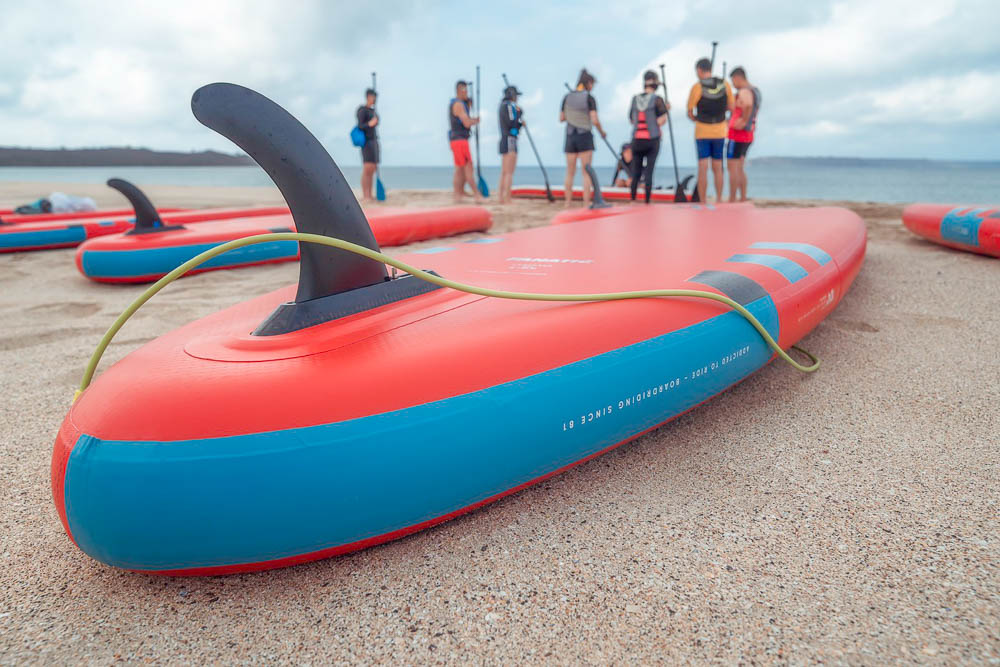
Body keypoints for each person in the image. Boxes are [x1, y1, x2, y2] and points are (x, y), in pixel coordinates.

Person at [687, 58, 734, 203]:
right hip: (720, 131)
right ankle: (719, 199)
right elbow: (731, 107)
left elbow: (690, 111)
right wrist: (724, 120)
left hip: (702, 131)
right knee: (718, 166)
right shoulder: (724, 84)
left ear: (699, 70)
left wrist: (696, 119)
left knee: (703, 167)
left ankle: (702, 200)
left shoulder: (697, 87)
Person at [560, 69, 607, 207]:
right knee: (586, 171)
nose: (593, 87)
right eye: (593, 84)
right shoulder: (589, 98)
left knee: (570, 171)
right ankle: (586, 203)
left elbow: (562, 118)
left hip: (570, 135)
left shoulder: (567, 97)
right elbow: (595, 119)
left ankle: (567, 202)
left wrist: (573, 116)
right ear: (588, 83)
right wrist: (602, 132)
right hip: (585, 135)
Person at [627, 70, 669, 203]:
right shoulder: (657, 100)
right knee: (649, 171)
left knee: (636, 172)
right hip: (652, 139)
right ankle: (647, 201)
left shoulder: (635, 99)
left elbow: (632, 120)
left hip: (636, 139)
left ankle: (633, 199)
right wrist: (666, 110)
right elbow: (661, 120)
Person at [727, 66, 761, 202]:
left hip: (737, 134)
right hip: (748, 133)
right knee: (740, 166)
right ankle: (742, 197)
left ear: (738, 78)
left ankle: (732, 198)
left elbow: (747, 104)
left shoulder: (745, 91)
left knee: (732, 167)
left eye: (733, 81)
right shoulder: (755, 91)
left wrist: (742, 120)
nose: (733, 85)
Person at [448, 80, 482, 203]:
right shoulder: (458, 104)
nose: (466, 93)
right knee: (467, 168)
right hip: (460, 140)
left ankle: (459, 193)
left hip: (457, 140)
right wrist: (476, 121)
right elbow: (466, 123)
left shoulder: (461, 104)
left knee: (461, 168)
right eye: (465, 90)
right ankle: (476, 194)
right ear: (459, 90)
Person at [497, 84, 524, 204]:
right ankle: (507, 197)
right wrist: (520, 117)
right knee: (509, 172)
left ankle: (500, 197)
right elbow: (512, 122)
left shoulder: (502, 106)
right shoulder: (508, 106)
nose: (517, 98)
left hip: (504, 138)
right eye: (516, 95)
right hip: (510, 139)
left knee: (504, 171)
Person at [356, 88, 380, 202]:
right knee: (367, 168)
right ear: (369, 97)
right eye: (373, 97)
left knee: (373, 168)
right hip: (366, 142)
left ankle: (370, 194)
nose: (375, 99)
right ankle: (365, 195)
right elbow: (360, 126)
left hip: (374, 141)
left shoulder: (373, 111)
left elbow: (377, 122)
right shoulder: (362, 110)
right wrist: (370, 123)